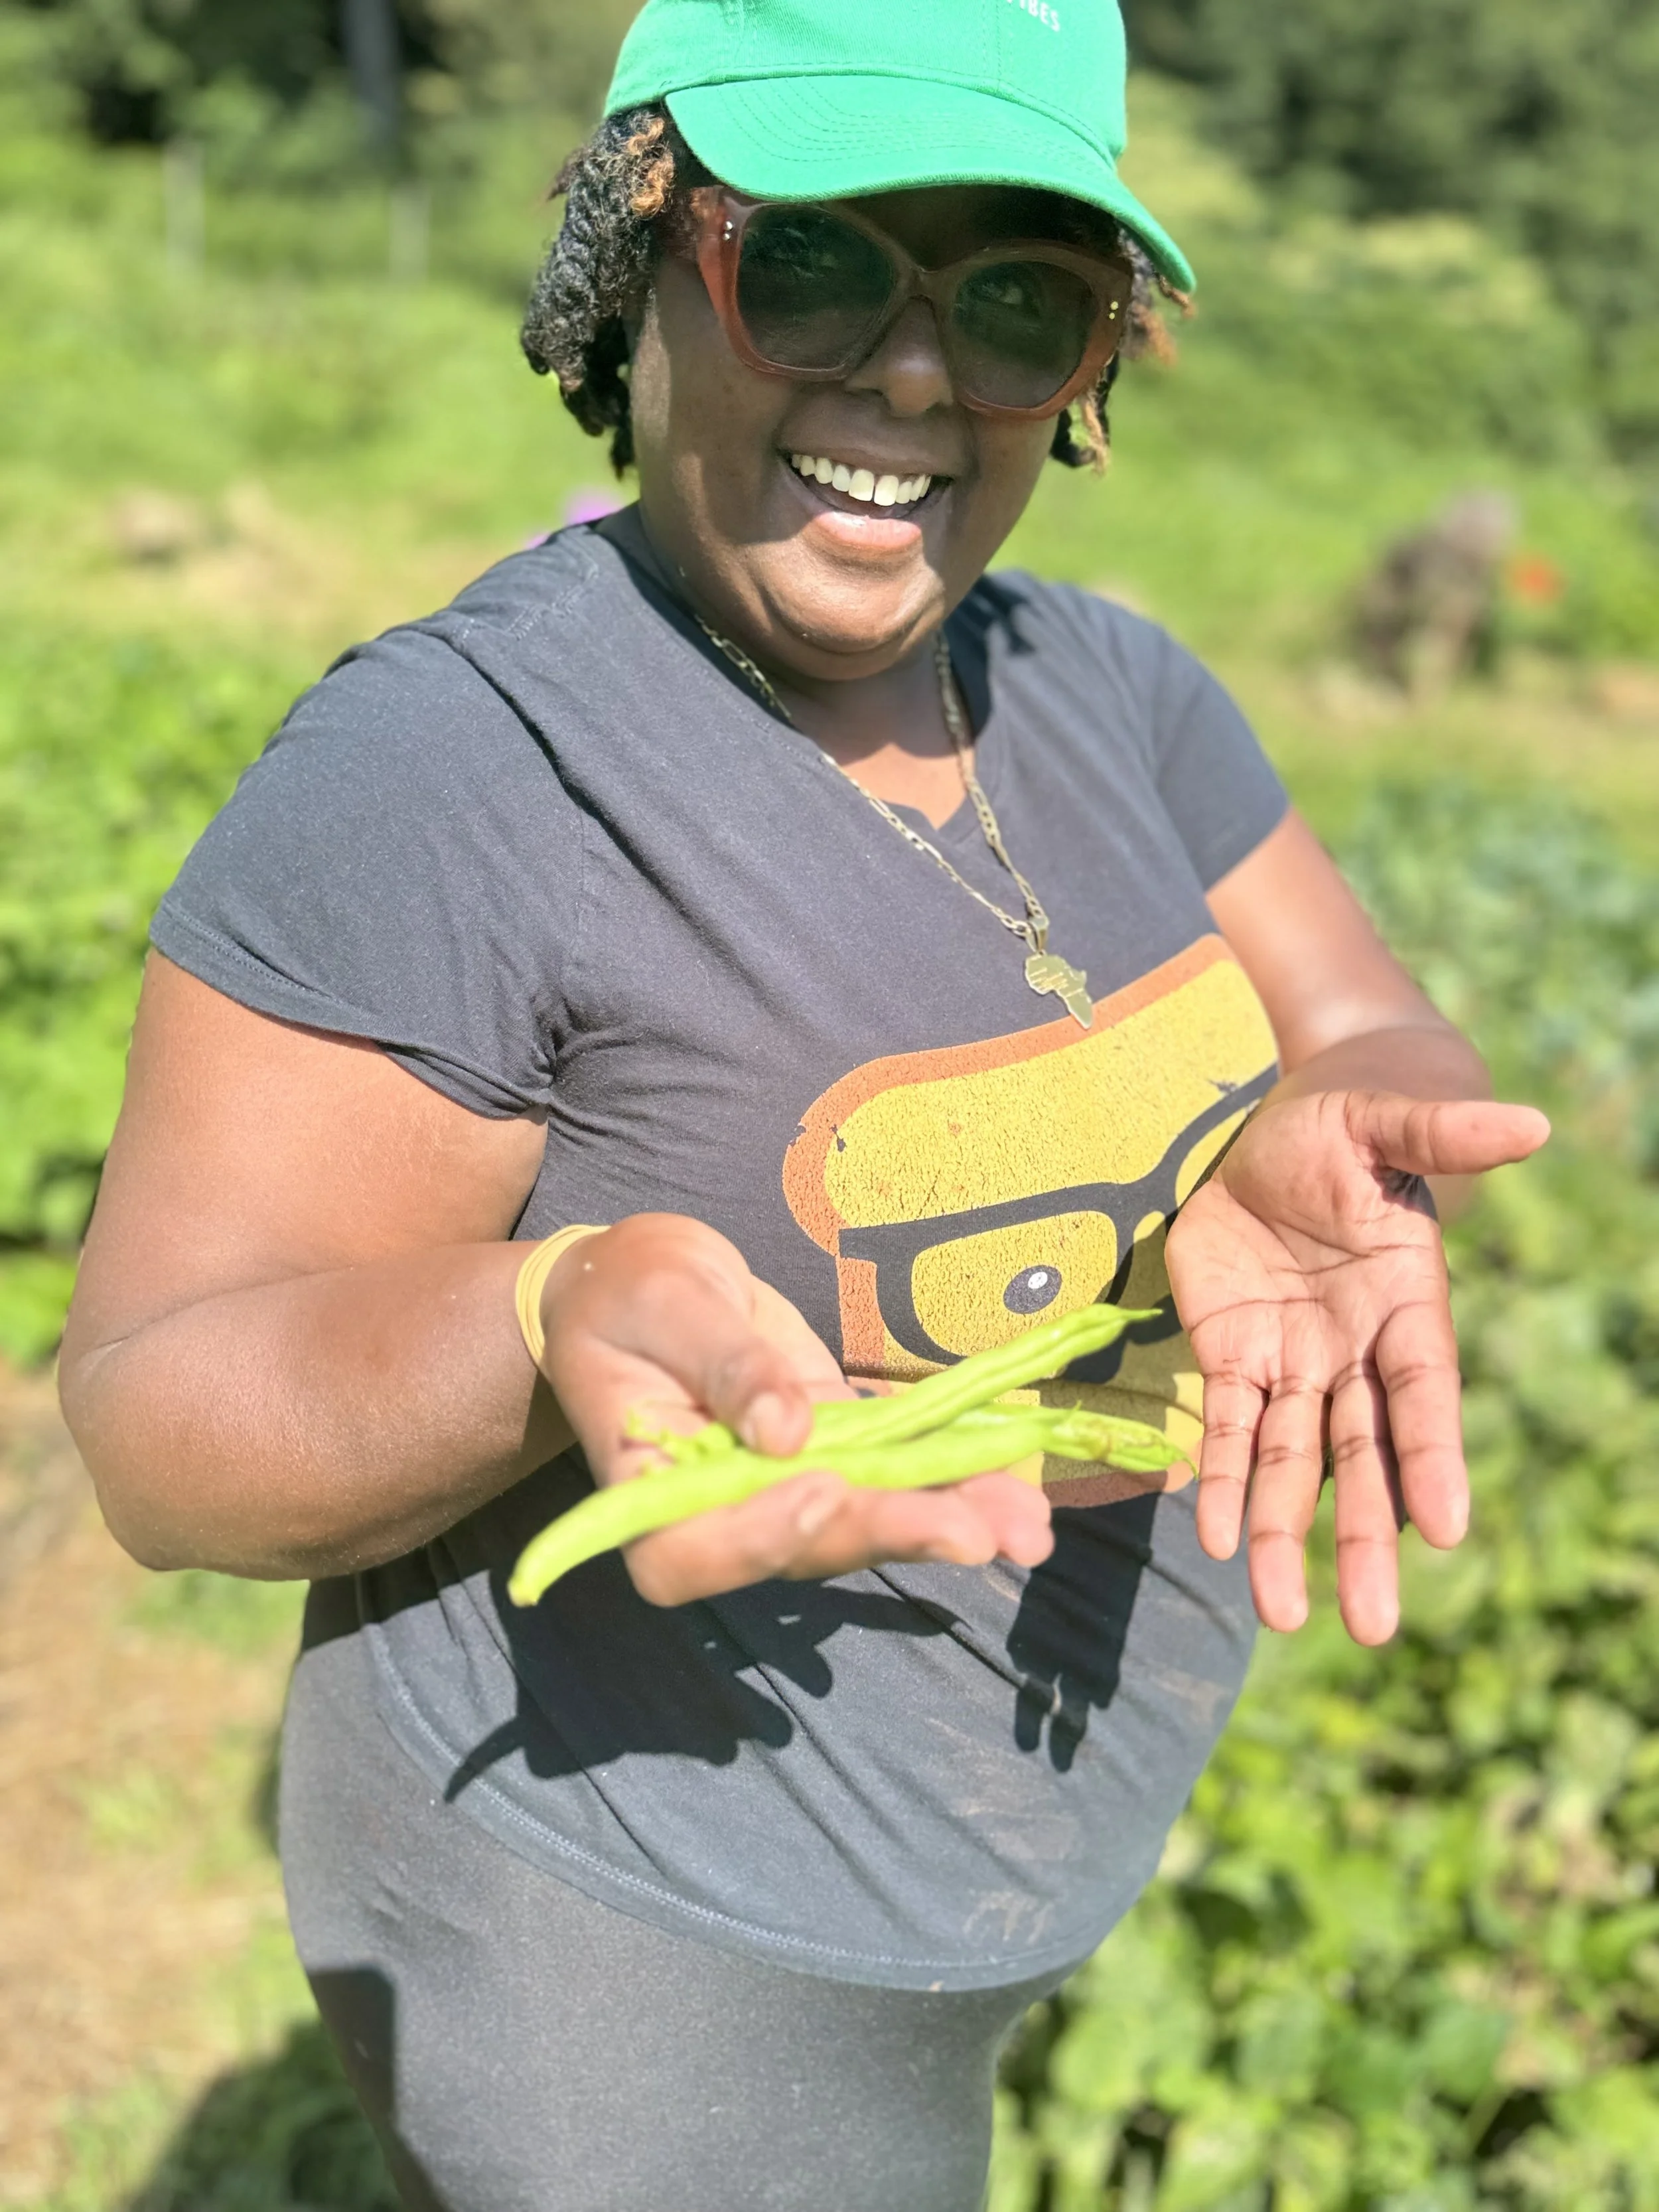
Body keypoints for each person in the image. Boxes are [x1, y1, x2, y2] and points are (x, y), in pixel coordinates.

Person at [58, 2, 1548, 2207]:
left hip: (1008, 1852)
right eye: (819, 266)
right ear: (635, 263)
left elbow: (1364, 1028)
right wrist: (542, 1314)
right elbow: (155, 1421)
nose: (922, 374)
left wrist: (1335, 1135)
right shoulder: (453, 775)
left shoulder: (1103, 682)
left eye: (1023, 297)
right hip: (639, 1934)